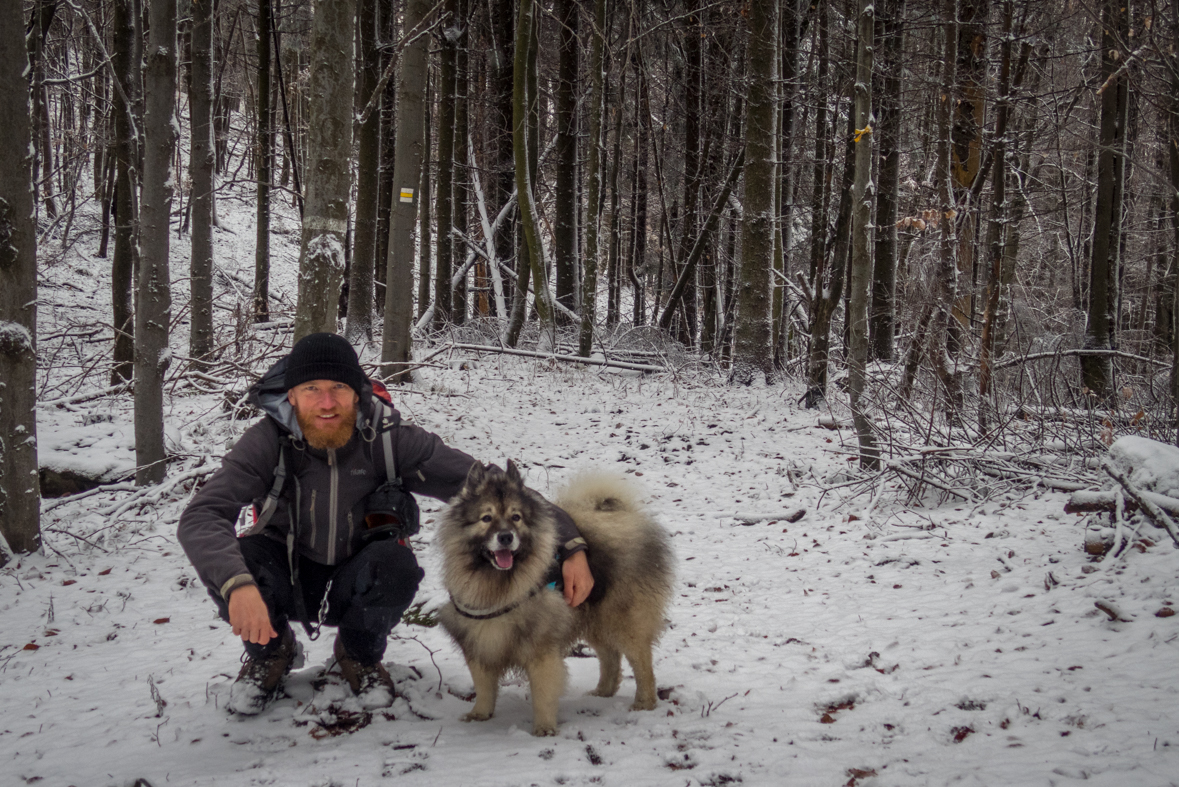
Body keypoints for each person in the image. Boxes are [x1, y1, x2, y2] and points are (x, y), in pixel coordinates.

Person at [178, 333, 594, 715]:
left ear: (357, 394)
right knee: (239, 560)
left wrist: (571, 545)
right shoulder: (267, 442)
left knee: (396, 564)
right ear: (291, 395)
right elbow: (203, 514)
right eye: (312, 390)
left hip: (356, 580)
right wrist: (237, 584)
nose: (327, 403)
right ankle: (270, 653)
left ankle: (358, 654)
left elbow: (493, 485)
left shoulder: (391, 439)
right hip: (285, 574)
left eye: (338, 388)